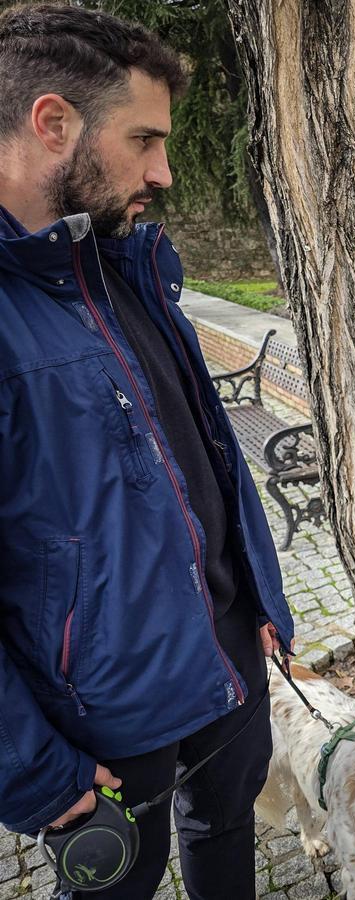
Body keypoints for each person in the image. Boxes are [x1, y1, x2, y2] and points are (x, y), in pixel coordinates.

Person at [0, 6, 295, 897]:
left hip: (225, 653)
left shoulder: (123, 265)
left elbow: (205, 454)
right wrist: (29, 768)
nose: (163, 173)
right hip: (102, 709)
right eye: (145, 140)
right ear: (54, 124)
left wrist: (261, 597)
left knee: (227, 827)